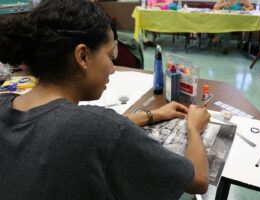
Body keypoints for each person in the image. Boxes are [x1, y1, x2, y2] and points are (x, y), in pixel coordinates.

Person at [0, 0, 211, 199]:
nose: (113, 68)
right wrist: (194, 127)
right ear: (82, 56)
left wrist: (152, 114)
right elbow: (198, 181)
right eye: (110, 57)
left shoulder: (5, 103)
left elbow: (93, 130)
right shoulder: (99, 129)